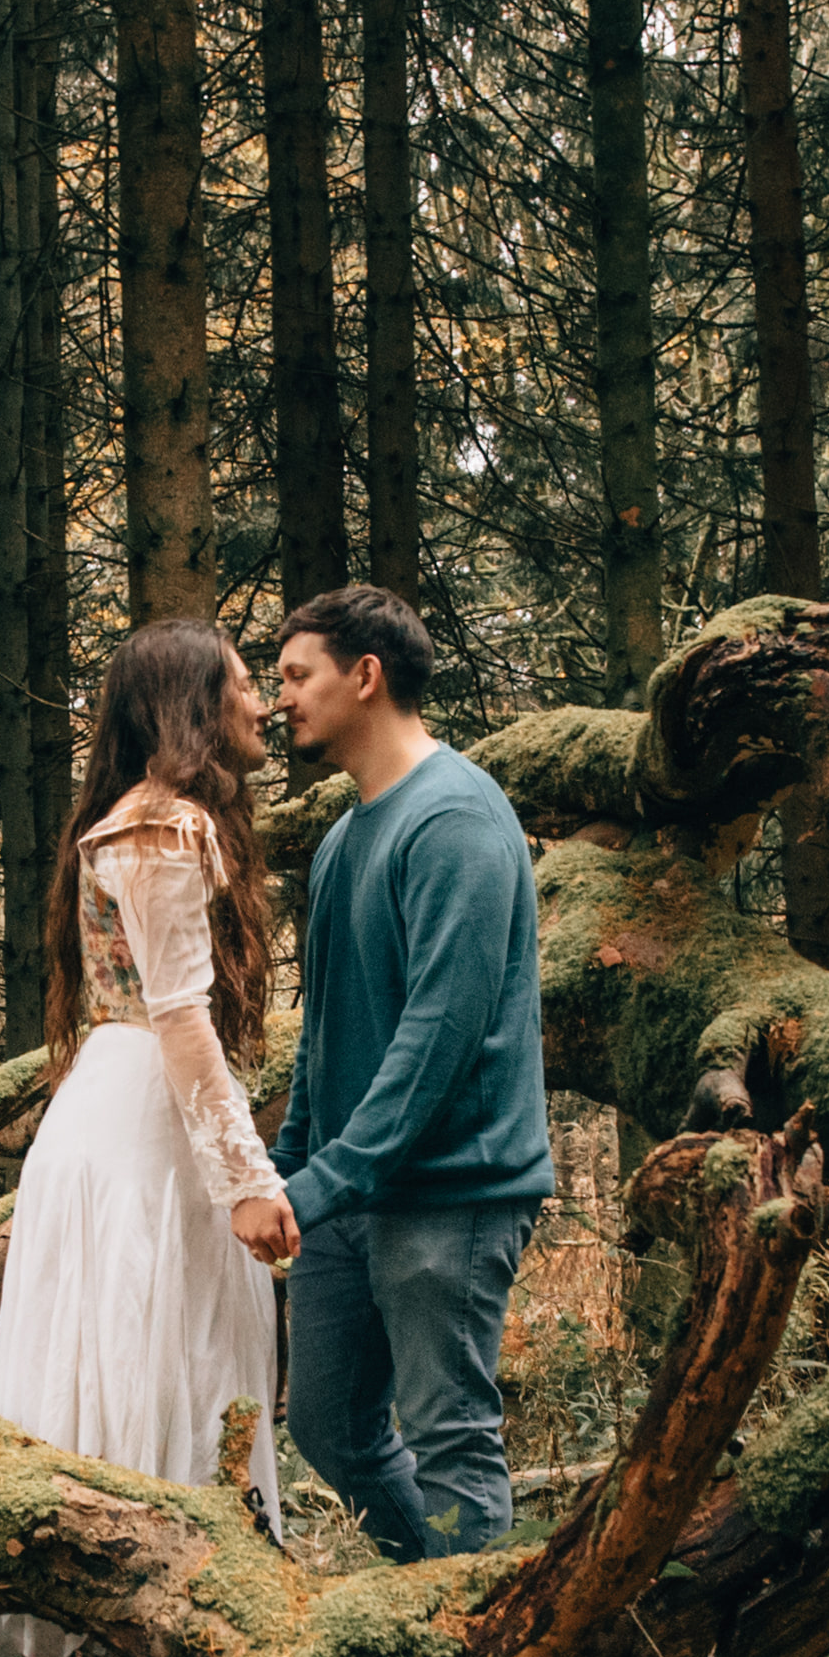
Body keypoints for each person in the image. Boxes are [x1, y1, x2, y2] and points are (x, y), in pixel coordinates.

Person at [0, 621, 292, 1593]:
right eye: (243, 684)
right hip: (143, 1129)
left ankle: (149, 1606)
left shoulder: (142, 818)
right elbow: (180, 1018)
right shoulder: (162, 828)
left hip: (125, 1112)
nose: (262, 704)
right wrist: (246, 1177)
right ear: (195, 705)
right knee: (148, 1353)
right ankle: (155, 1601)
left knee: (140, 1352)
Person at [251, 584, 555, 1561]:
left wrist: (323, 1181)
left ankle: (483, 1636)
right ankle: (427, 1590)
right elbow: (325, 1031)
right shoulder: (344, 840)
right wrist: (289, 1171)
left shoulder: (455, 819)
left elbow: (438, 1040)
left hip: (451, 1193)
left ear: (365, 676)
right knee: (328, 1425)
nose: (279, 698)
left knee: (450, 1438)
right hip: (350, 1196)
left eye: (297, 674)